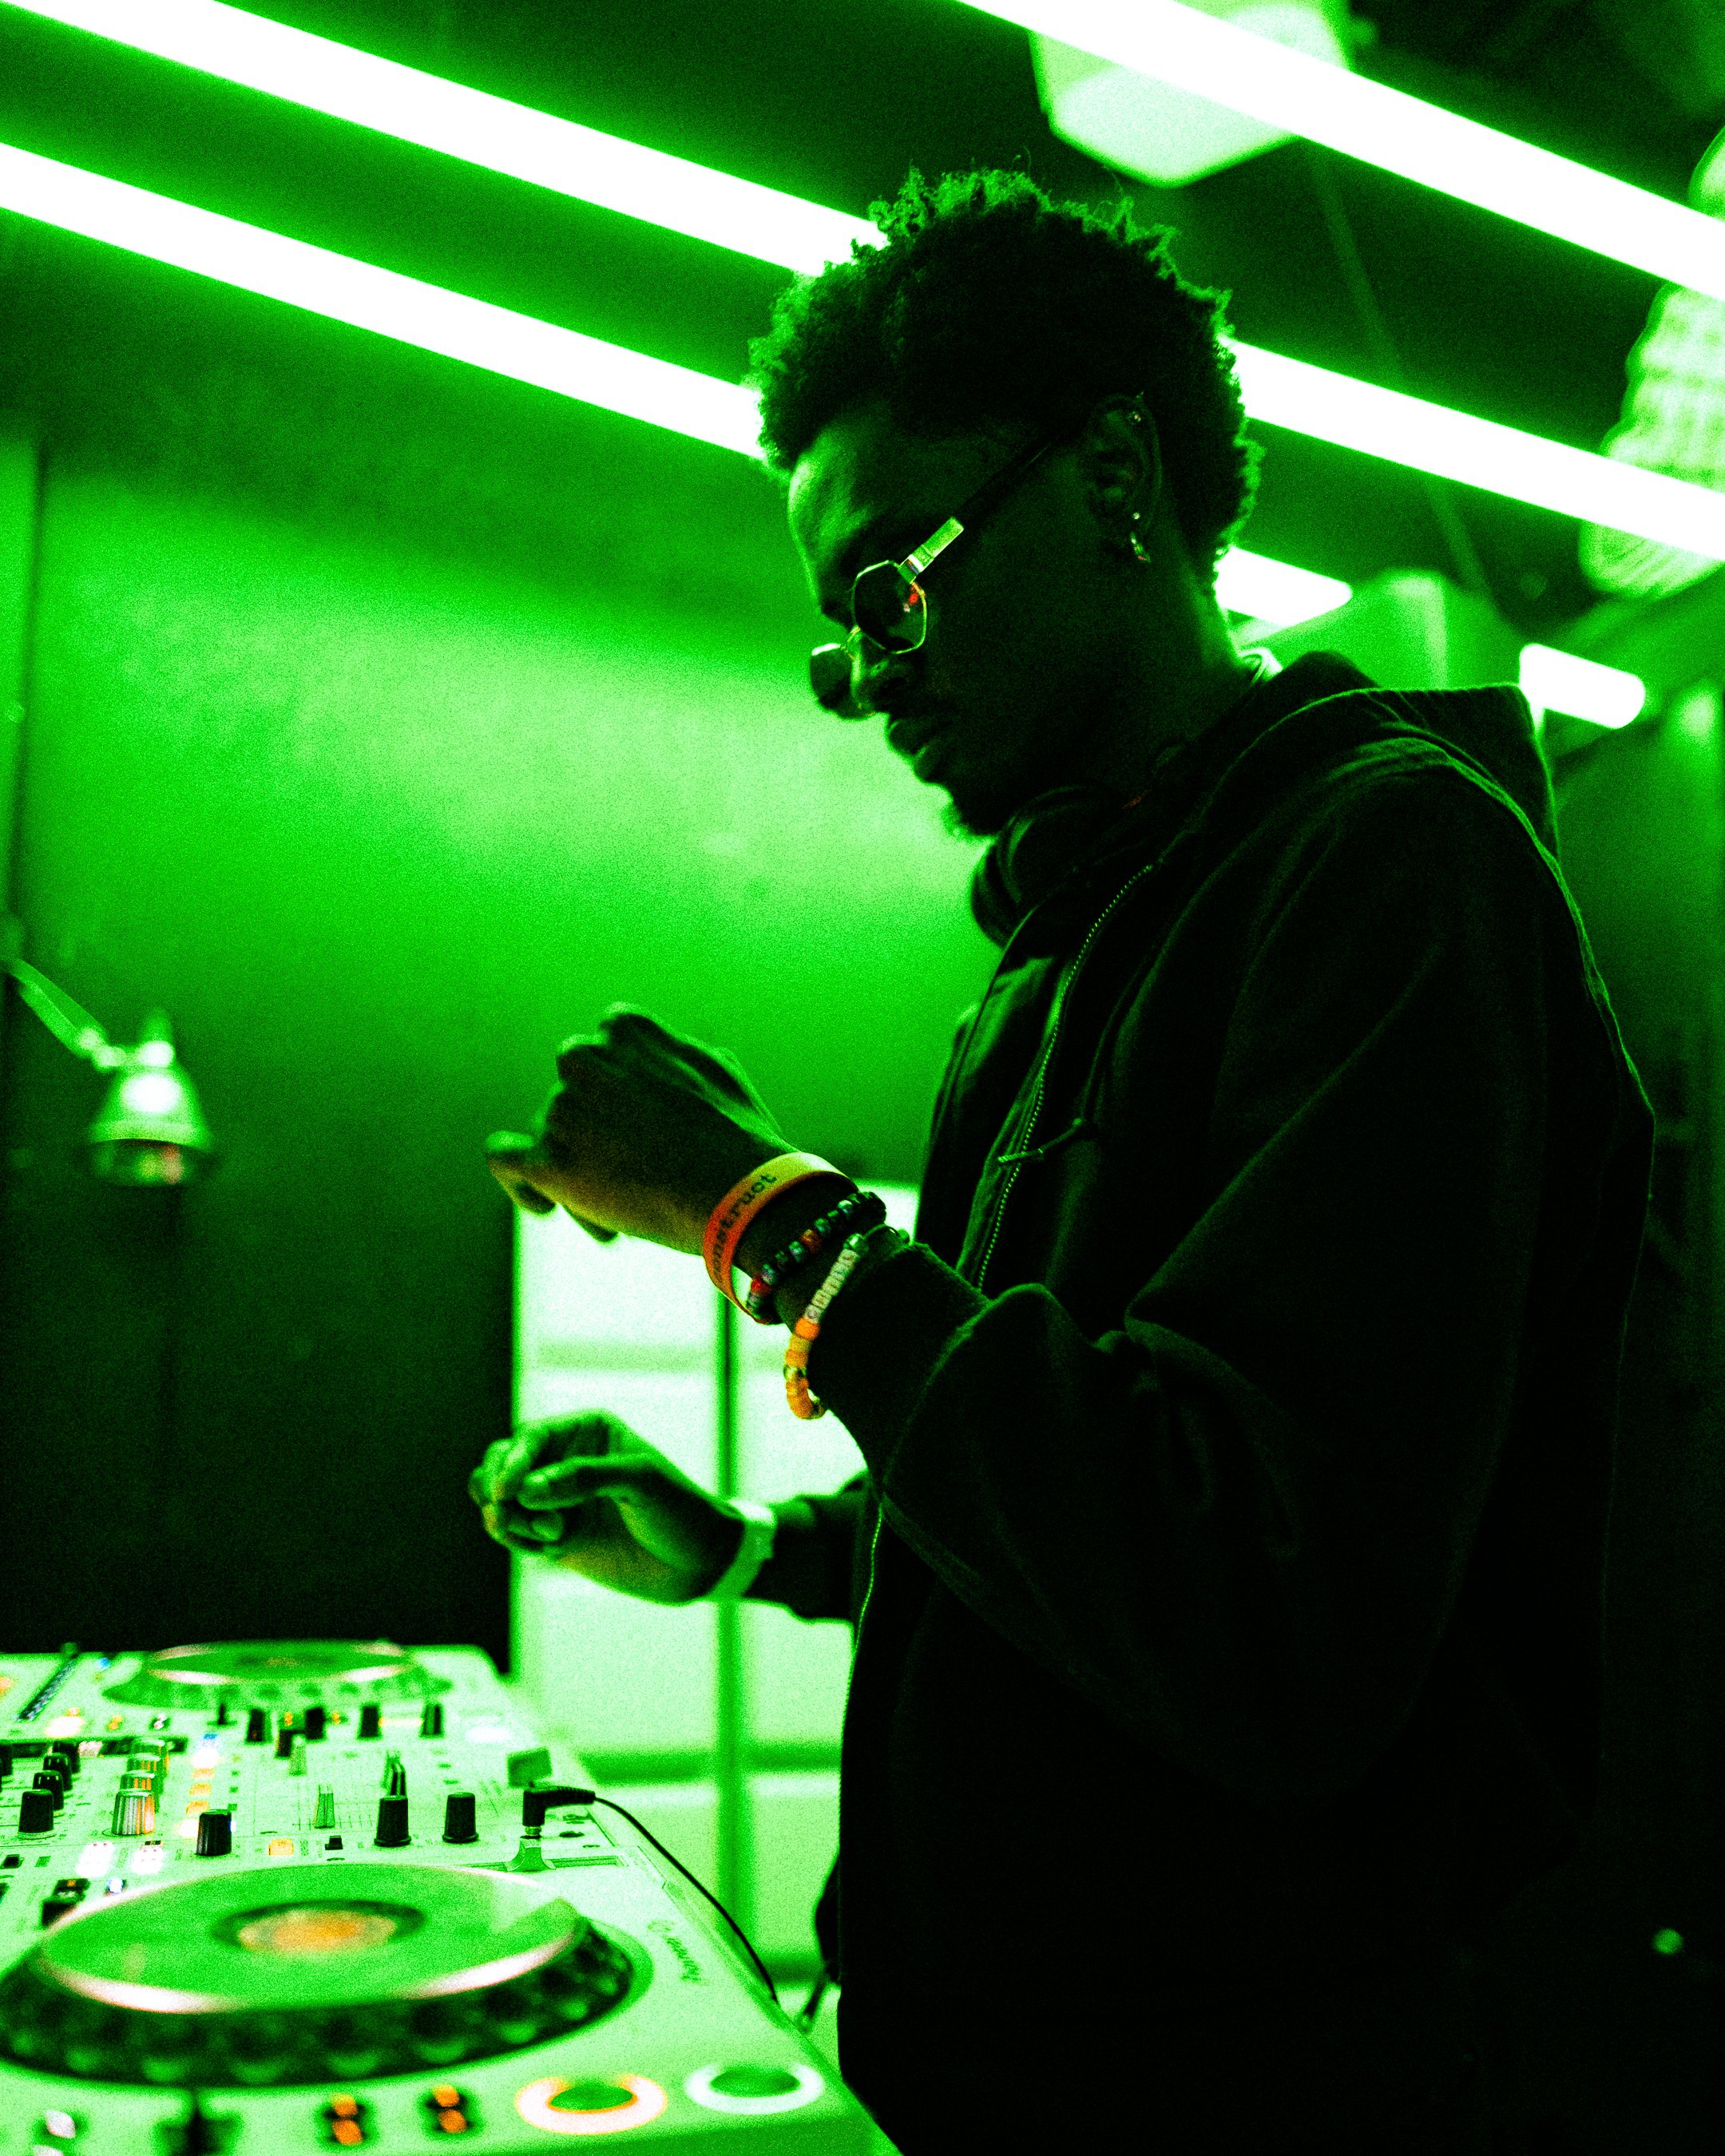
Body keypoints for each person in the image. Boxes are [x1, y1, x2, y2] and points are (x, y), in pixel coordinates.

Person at [470, 169, 1654, 2154]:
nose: (874, 680)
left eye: (892, 589)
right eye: (841, 641)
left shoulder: (1392, 866)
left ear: (1115, 474)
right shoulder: (1049, 971)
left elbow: (1259, 1600)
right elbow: (1066, 1502)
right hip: (983, 2062)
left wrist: (766, 1217)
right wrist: (752, 1555)